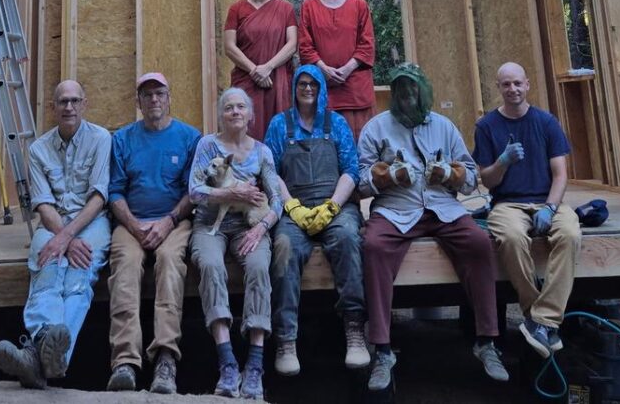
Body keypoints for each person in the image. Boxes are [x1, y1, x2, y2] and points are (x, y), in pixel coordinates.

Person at [357, 64, 509, 391]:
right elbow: (362, 183)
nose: (407, 95)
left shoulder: (444, 126)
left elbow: (470, 180)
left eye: (412, 89)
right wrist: (389, 177)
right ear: (393, 93)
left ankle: (486, 341)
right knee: (373, 247)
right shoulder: (376, 128)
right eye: (400, 89)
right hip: (396, 210)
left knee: (480, 243)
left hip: (443, 209)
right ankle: (382, 349)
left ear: (423, 91)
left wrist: (448, 174)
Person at [0, 79, 111, 389]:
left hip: (91, 221)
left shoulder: (100, 139)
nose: (68, 107)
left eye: (74, 101)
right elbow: (42, 203)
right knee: (45, 267)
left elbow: (98, 198)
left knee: (79, 277)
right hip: (53, 222)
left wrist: (68, 238)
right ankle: (51, 352)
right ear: (53, 107)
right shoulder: (38, 149)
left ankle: (35, 355)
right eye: (62, 102)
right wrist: (63, 238)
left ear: (84, 104)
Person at [263, 63, 369, 376]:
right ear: (294, 88)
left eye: (313, 84)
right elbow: (270, 170)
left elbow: (351, 169)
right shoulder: (280, 125)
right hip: (294, 207)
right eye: (302, 84)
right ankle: (286, 339)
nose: (308, 89)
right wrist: (291, 206)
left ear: (321, 88)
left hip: (334, 206)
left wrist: (334, 206)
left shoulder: (335, 123)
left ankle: (354, 330)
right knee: (283, 247)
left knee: (350, 239)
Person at [105, 72, 202, 393]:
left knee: (171, 264)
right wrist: (133, 225)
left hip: (173, 221)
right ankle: (125, 361)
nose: (154, 100)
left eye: (160, 93)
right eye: (147, 96)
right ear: (138, 102)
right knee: (125, 265)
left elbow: (194, 190)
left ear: (169, 97)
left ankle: (165, 358)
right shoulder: (123, 139)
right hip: (131, 222)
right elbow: (115, 191)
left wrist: (168, 222)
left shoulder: (189, 138)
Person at [474, 62, 579, 359]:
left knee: (570, 234)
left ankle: (542, 320)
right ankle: (539, 319)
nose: (513, 90)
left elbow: (560, 175)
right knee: (510, 238)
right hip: (507, 202)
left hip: (546, 200)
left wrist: (549, 207)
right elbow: (487, 180)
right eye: (506, 84)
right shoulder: (486, 127)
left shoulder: (546, 123)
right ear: (498, 87)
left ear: (527, 84)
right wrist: (503, 162)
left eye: (517, 83)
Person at [189, 87, 285, 399]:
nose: (235, 112)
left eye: (240, 107)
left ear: (250, 115)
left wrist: (262, 230)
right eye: (228, 107)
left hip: (249, 226)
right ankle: (227, 362)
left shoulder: (262, 153)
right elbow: (194, 192)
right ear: (221, 115)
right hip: (209, 223)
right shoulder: (207, 146)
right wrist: (230, 194)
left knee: (258, 267)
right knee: (211, 265)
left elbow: (277, 202)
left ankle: (255, 365)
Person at [298, 0, 376, 140]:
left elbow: (367, 44)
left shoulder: (359, 5)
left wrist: (347, 69)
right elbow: (304, 45)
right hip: (323, 87)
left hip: (356, 89)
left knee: (360, 145)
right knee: (327, 146)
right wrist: (324, 69)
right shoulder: (309, 6)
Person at [223, 0, 298, 141]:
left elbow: (292, 44)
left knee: (279, 130)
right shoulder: (236, 9)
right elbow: (229, 46)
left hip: (276, 80)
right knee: (247, 128)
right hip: (247, 80)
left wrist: (268, 67)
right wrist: (254, 70)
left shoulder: (285, 8)